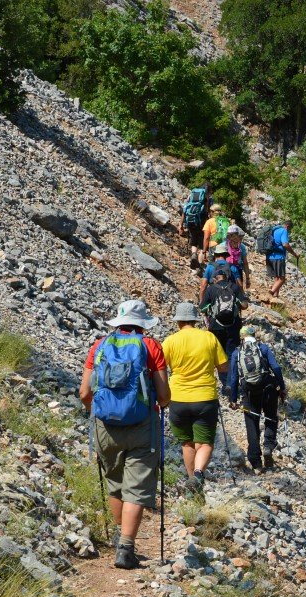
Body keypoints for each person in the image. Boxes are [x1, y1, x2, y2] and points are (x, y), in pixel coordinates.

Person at [78, 300, 171, 569]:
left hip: (105, 425)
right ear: (142, 323)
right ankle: (126, 548)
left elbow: (85, 393)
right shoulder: (150, 345)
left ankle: (121, 536)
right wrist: (157, 405)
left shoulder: (99, 346)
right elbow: (164, 395)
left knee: (115, 482)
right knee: (136, 486)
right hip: (142, 424)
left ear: (117, 321)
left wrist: (96, 411)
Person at [162, 302, 228, 496]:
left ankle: (193, 488)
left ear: (178, 322)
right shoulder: (209, 338)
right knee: (205, 443)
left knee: (187, 443)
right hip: (205, 397)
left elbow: (158, 366)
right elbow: (223, 366)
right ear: (195, 320)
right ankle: (198, 475)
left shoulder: (170, 341)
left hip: (178, 398)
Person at [228, 326, 286, 472]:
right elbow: (276, 368)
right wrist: (281, 386)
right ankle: (268, 445)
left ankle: (256, 462)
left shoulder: (237, 353)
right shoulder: (263, 348)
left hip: (248, 393)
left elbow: (234, 377)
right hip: (268, 389)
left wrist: (233, 399)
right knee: (271, 418)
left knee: (251, 424)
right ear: (254, 335)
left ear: (242, 338)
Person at [200, 257, 249, 370]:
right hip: (233, 325)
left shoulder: (211, 289)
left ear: (215, 278)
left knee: (219, 354)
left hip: (216, 326)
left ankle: (223, 378)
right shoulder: (235, 287)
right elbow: (245, 305)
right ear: (227, 277)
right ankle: (232, 379)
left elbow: (202, 308)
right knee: (232, 353)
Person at [179, 185, 211, 270]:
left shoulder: (192, 195)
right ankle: (199, 266)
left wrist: (181, 225)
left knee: (193, 239)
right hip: (201, 222)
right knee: (201, 244)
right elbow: (208, 212)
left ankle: (193, 255)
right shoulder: (208, 198)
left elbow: (185, 210)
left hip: (190, 220)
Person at [266, 219, 297, 300]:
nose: (289, 231)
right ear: (287, 226)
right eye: (289, 229)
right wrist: (294, 254)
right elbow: (285, 244)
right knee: (282, 279)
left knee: (277, 277)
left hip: (269, 257)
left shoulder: (274, 230)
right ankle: (271, 293)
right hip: (278, 257)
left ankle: (276, 296)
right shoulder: (284, 231)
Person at [224, 225, 250, 292]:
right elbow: (245, 263)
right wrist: (247, 278)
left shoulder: (223, 245)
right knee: (238, 289)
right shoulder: (241, 247)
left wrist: (247, 278)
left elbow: (245, 263)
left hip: (227, 269)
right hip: (232, 269)